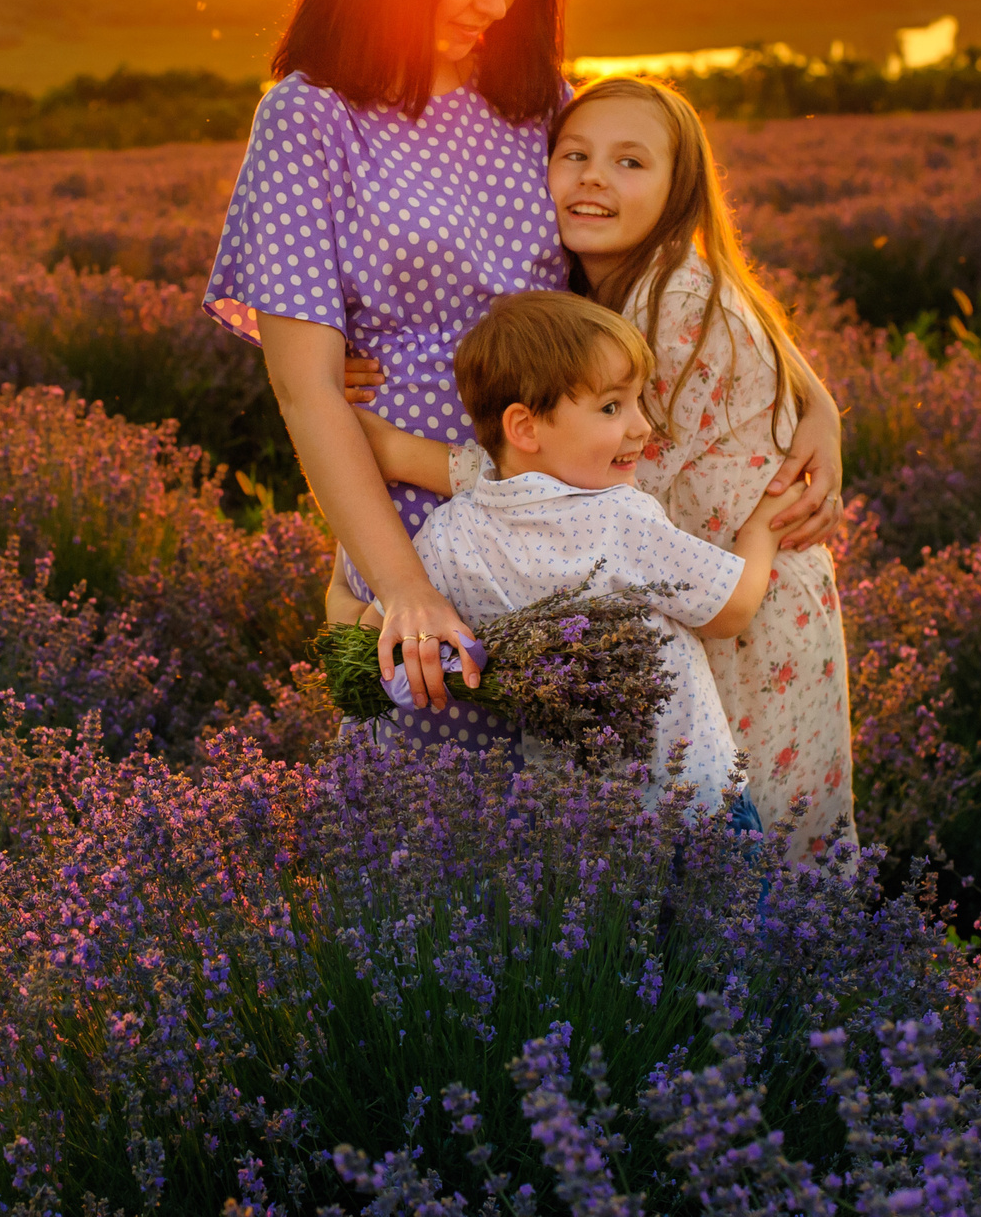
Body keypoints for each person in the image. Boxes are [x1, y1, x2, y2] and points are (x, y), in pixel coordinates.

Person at [203, 0, 849, 745]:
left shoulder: (534, 100)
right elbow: (306, 393)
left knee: (591, 800)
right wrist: (404, 588)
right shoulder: (309, 119)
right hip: (413, 521)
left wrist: (812, 396)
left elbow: (668, 245)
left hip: (569, 513)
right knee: (428, 791)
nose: (496, 1)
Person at [358, 77, 860, 857]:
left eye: (630, 162)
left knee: (753, 861)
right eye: (574, 155)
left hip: (745, 611)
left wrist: (390, 449)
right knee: (705, 862)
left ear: (678, 189)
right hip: (693, 588)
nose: (594, 177)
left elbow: (580, 495)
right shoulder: (617, 289)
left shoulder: (673, 304)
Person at [381, 292, 798, 814]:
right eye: (611, 407)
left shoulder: (448, 533)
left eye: (637, 401)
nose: (642, 427)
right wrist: (762, 529)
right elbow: (731, 609)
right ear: (525, 427)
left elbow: (384, 627)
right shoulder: (619, 517)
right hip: (691, 800)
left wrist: (339, 600)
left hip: (576, 822)